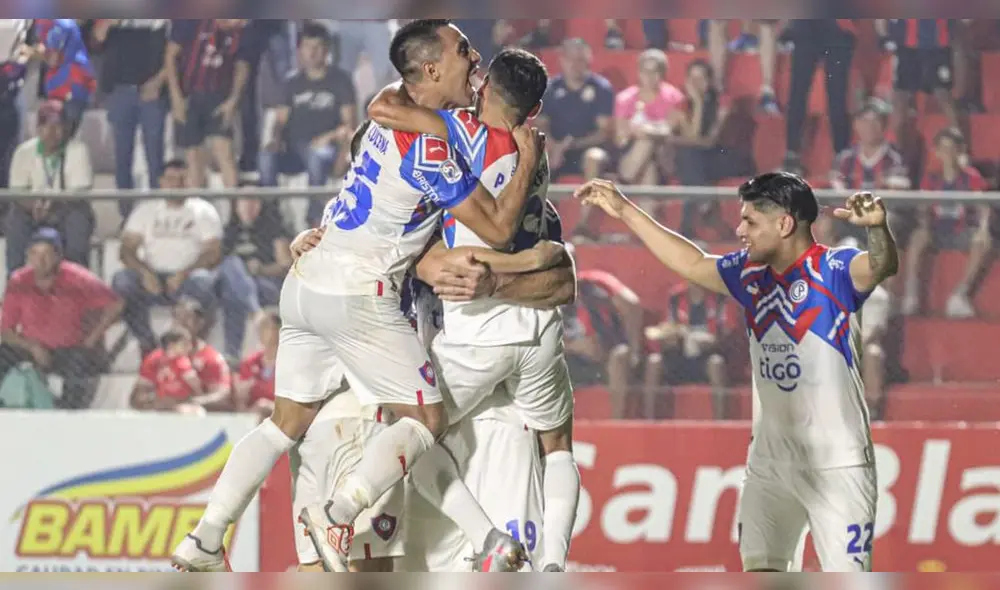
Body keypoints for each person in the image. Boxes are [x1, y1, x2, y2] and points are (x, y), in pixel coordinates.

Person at [172, 20, 545, 573]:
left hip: (306, 287)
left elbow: (384, 103)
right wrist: (529, 163)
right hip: (359, 295)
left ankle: (203, 538)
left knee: (282, 423)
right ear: (431, 68)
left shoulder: (394, 108)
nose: (475, 59)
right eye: (463, 50)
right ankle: (338, 514)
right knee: (426, 418)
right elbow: (497, 230)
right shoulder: (431, 147)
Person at [575, 172, 899, 572]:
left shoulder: (835, 268)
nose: (739, 229)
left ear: (784, 224)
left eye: (750, 221)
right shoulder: (749, 274)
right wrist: (625, 211)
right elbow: (692, 262)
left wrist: (878, 230)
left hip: (838, 464)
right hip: (769, 465)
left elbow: (881, 265)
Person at [365, 46, 578, 572]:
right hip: (541, 333)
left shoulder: (463, 133)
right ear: (532, 111)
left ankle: (340, 509)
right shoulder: (535, 151)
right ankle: (553, 562)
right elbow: (553, 258)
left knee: (410, 431)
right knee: (558, 444)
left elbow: (386, 108)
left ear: (484, 91)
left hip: (479, 329)